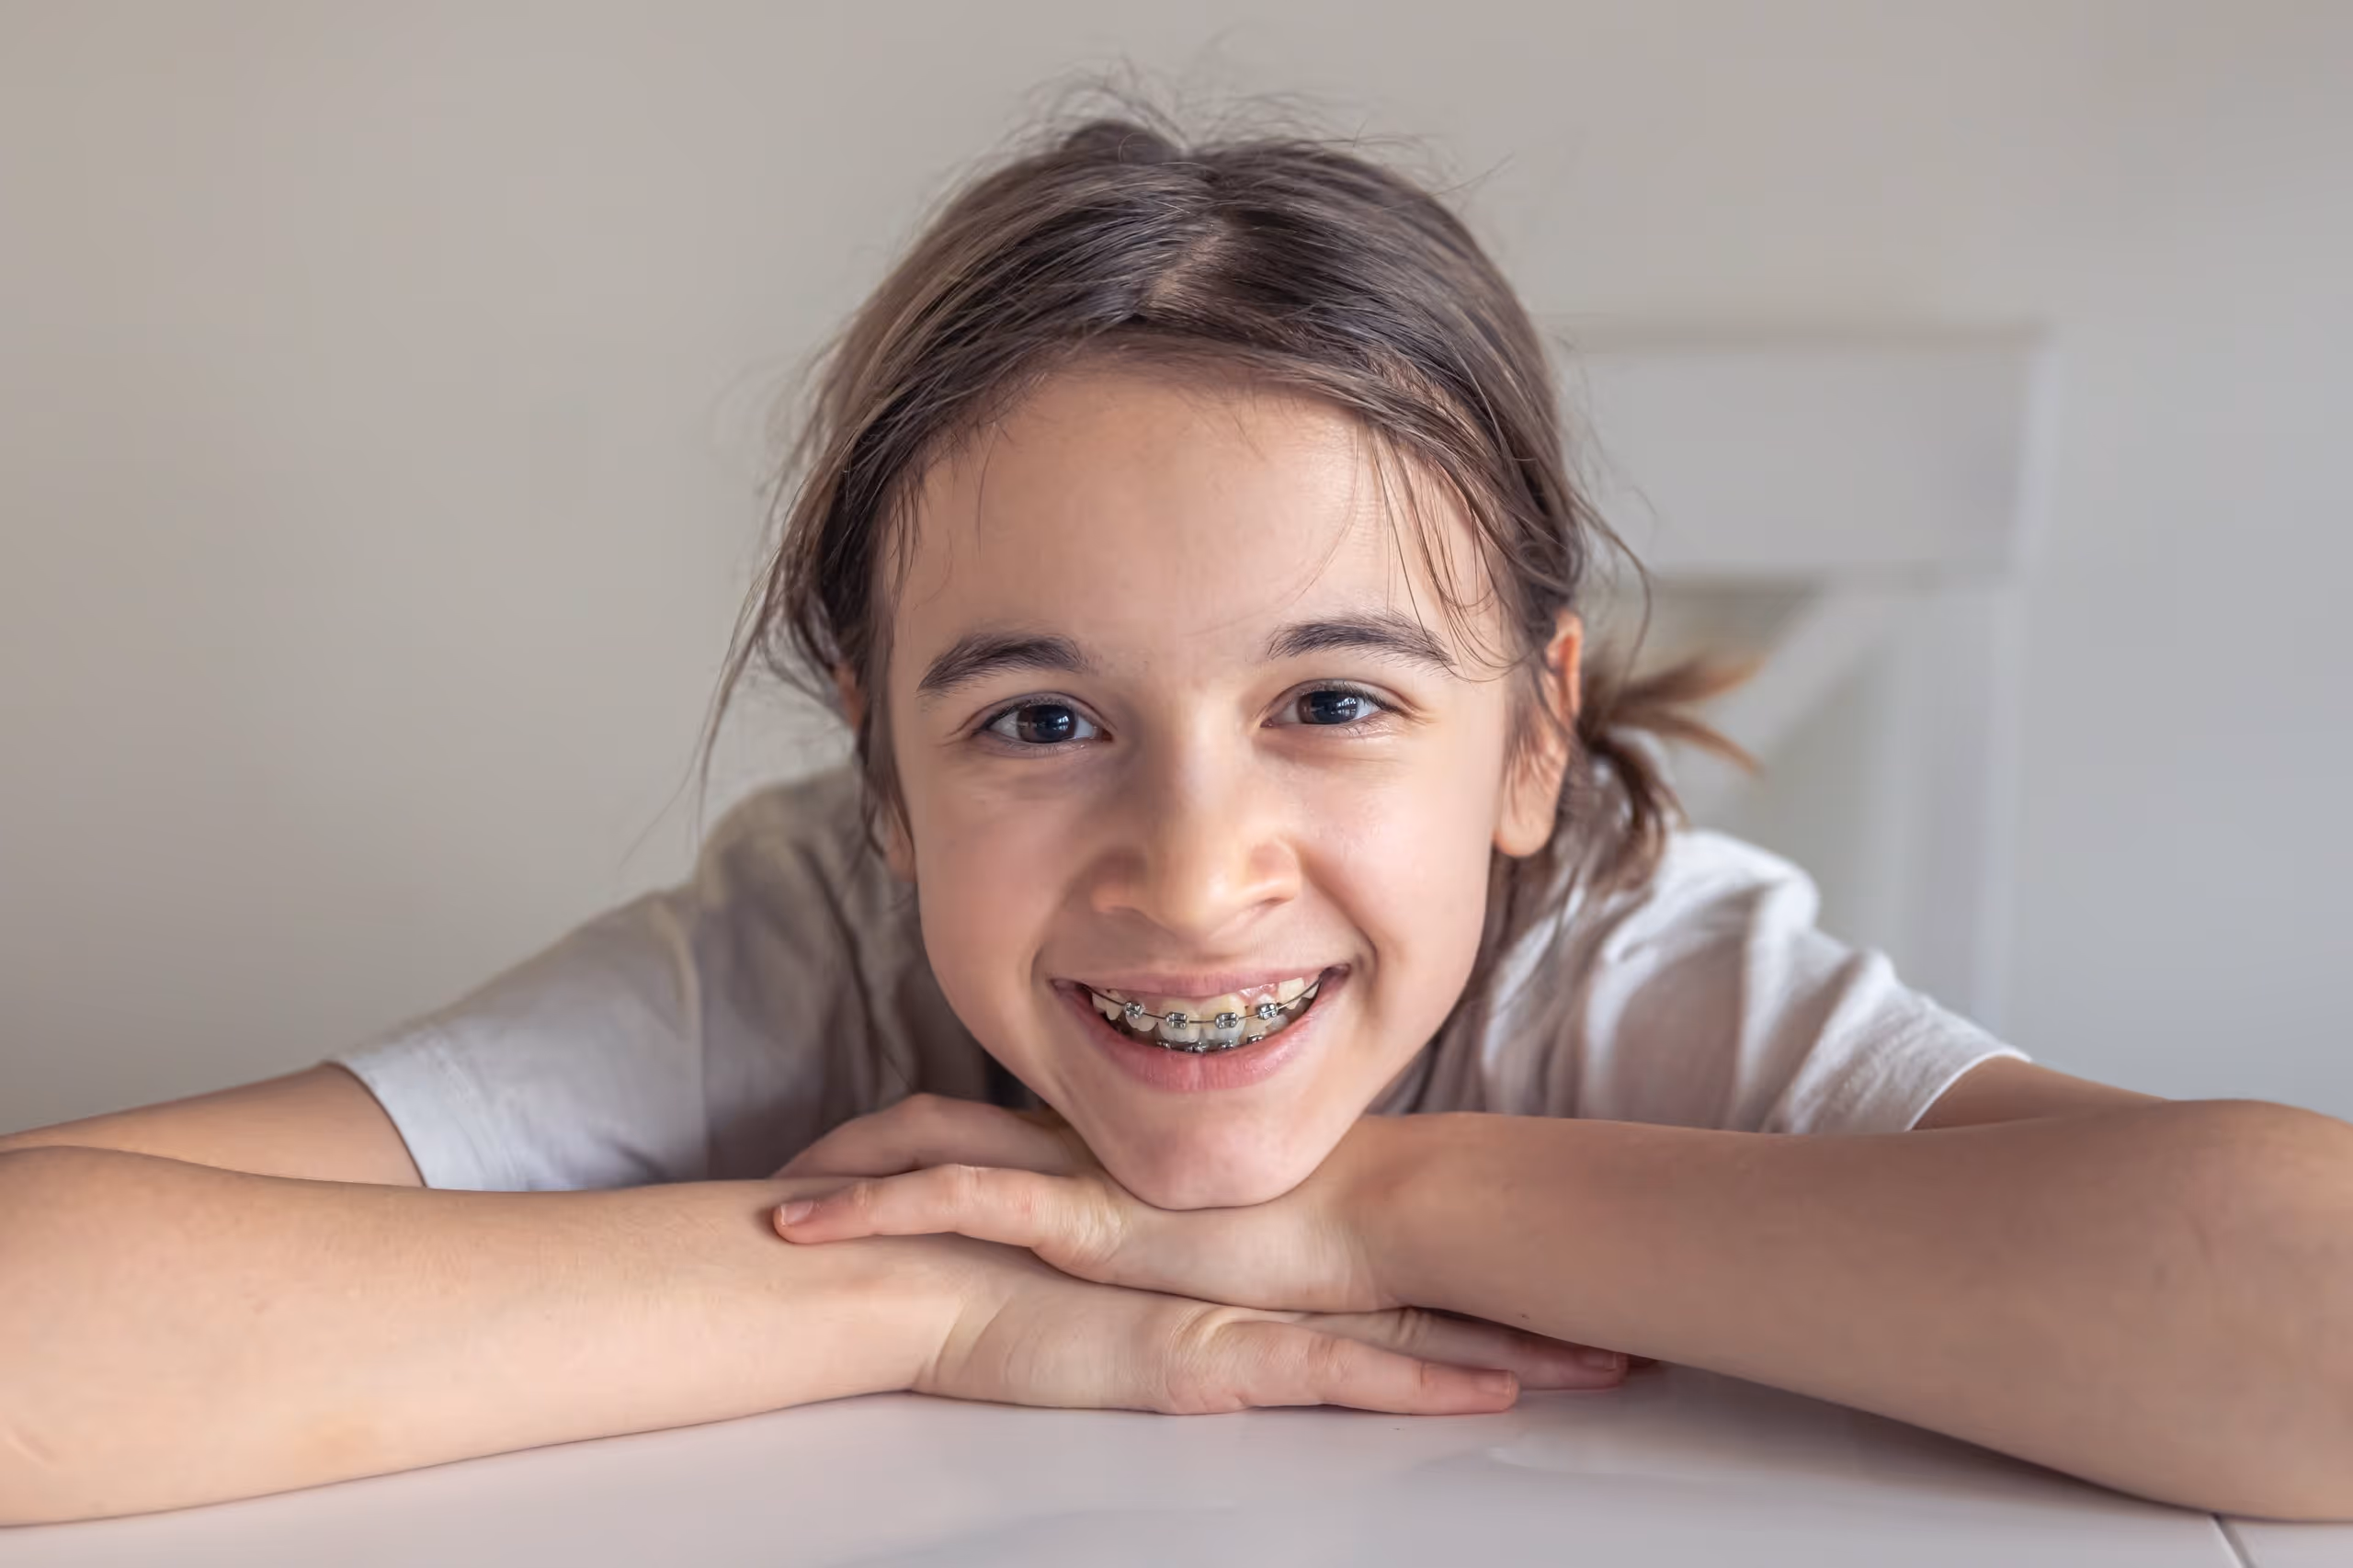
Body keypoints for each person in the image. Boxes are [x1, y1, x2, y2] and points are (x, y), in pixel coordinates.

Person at [6, 104, 2349, 1528]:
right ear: (884, 779)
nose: (1190, 867)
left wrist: (1376, 1211)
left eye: (1330, 696)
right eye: (1035, 722)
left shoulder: (1625, 959)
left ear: (1529, 740)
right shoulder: (805, 945)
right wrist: (932, 1300)